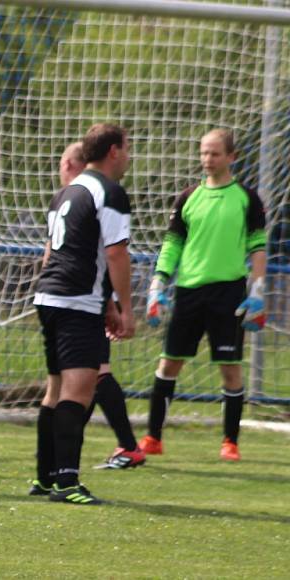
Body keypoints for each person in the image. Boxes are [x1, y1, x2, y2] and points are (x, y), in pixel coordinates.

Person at [140, 129, 267, 461]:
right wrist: (158, 282)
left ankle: (230, 442)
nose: (207, 160)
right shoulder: (187, 198)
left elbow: (257, 248)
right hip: (188, 292)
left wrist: (257, 289)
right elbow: (173, 244)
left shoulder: (247, 198)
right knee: (169, 364)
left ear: (231, 157)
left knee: (230, 369)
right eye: (203, 153)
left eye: (214, 153)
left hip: (229, 294)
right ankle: (153, 437)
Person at [29, 143, 144, 499]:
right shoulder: (108, 192)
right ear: (113, 151)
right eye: (127, 150)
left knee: (55, 390)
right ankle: (67, 482)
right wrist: (125, 307)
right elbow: (115, 252)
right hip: (76, 301)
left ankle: (45, 477)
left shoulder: (66, 192)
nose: (128, 158)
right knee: (78, 392)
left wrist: (105, 302)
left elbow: (54, 253)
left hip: (50, 297)